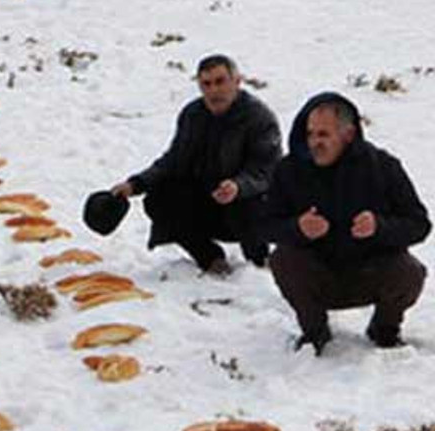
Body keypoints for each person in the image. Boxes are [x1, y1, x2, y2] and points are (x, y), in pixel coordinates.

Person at [262, 92, 429, 354]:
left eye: (324, 135)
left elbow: (419, 224)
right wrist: (298, 228)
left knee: (410, 272)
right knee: (283, 259)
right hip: (318, 274)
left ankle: (385, 329)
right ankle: (314, 332)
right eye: (311, 134)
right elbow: (264, 225)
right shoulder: (288, 171)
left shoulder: (383, 167)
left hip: (370, 271)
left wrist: (380, 227)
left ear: (348, 135)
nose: (315, 142)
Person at [111, 54, 281, 274]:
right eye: (206, 84)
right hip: (208, 200)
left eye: (220, 82)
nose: (213, 91)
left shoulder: (259, 118)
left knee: (250, 201)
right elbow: (173, 161)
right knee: (160, 197)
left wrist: (238, 186)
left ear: (237, 82)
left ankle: (259, 262)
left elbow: (266, 171)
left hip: (248, 204)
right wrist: (135, 184)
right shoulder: (193, 114)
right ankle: (209, 257)